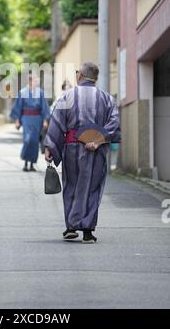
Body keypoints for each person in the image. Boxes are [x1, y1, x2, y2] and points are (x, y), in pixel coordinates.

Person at [44, 62, 121, 243]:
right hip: (97, 150)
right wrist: (98, 139)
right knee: (92, 188)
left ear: (80, 76)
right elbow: (114, 123)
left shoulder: (67, 97)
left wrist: (50, 147)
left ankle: (71, 227)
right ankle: (87, 230)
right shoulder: (107, 99)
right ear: (96, 78)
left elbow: (56, 123)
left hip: (72, 147)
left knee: (71, 185)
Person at [11, 74, 50, 171]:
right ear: (30, 81)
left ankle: (32, 164)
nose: (37, 83)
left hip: (37, 119)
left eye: (38, 81)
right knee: (27, 140)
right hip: (26, 118)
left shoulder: (40, 92)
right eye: (35, 81)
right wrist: (17, 121)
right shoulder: (23, 92)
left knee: (34, 141)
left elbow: (44, 107)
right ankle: (25, 162)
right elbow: (18, 107)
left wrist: (45, 120)